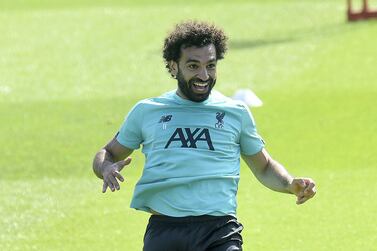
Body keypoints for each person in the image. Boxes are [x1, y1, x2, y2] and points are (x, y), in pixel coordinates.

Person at [92, 20, 316, 251]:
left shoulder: (235, 113)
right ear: (173, 67)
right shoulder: (147, 111)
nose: (203, 75)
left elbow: (264, 166)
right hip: (165, 230)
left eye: (210, 65)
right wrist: (105, 168)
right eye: (193, 66)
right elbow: (107, 153)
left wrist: (290, 184)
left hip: (219, 231)